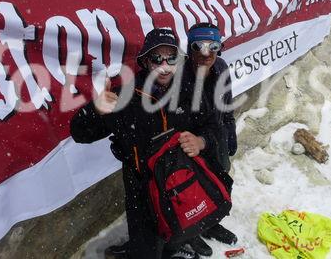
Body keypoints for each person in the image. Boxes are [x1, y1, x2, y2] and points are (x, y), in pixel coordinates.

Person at [70, 28, 219, 259]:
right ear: (145, 61)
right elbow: (79, 133)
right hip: (140, 187)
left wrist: (201, 141)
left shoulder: (189, 90)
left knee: (176, 230)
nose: (164, 64)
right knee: (145, 246)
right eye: (156, 57)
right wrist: (95, 110)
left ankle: (175, 248)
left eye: (171, 57)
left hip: (180, 178)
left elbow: (212, 125)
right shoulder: (124, 96)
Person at [182, 23, 238, 257]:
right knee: (192, 190)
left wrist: (230, 132)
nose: (206, 54)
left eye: (213, 46)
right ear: (189, 48)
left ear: (220, 48)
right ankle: (191, 231)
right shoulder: (180, 76)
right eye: (199, 46)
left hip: (215, 138)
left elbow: (226, 107)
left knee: (218, 182)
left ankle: (210, 222)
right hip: (189, 143)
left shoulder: (221, 68)